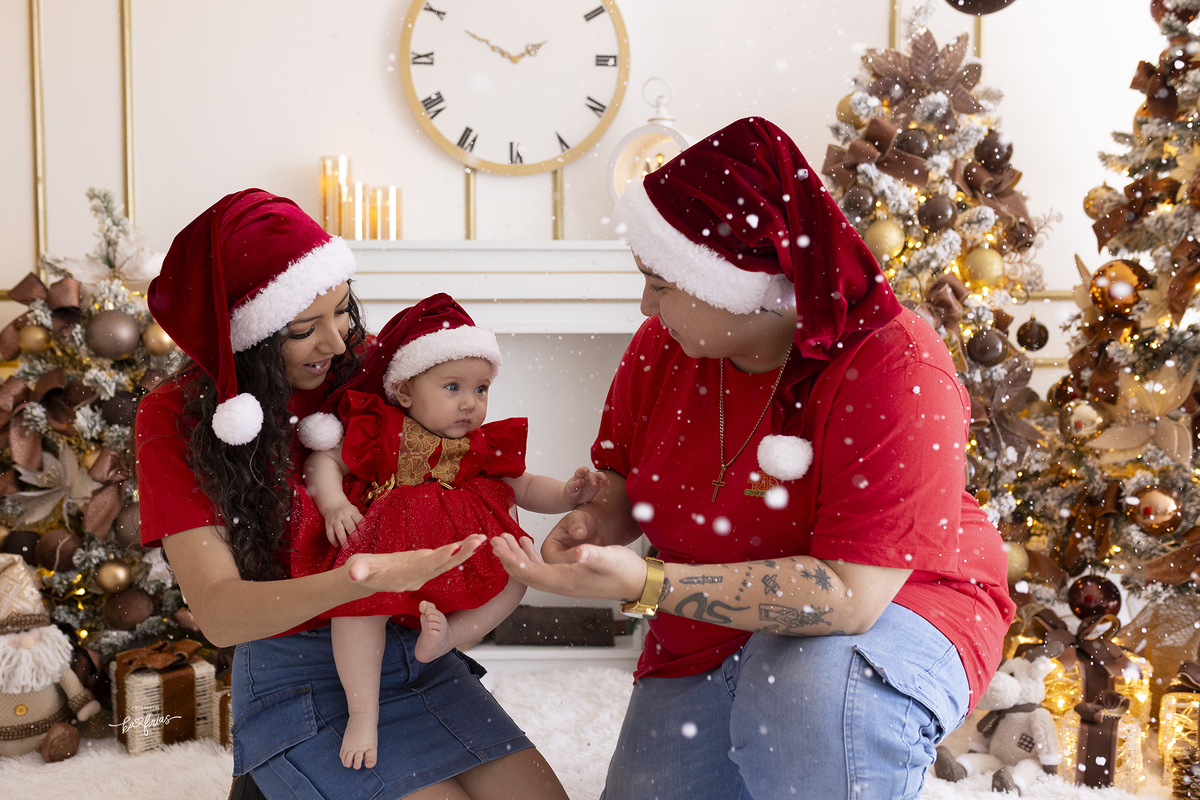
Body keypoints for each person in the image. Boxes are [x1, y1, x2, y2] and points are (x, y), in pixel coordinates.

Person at [490, 117, 1016, 800]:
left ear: (745, 281)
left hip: (898, 599)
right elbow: (621, 480)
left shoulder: (898, 365)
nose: (645, 302)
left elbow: (850, 598)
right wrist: (596, 525)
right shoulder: (662, 347)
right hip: (714, 620)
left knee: (804, 707)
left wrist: (644, 583)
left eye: (662, 281)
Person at [135, 190, 570, 800]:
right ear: (245, 338)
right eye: (302, 330)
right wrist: (361, 580)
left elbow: (459, 454)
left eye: (342, 310)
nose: (337, 344)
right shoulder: (175, 418)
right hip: (298, 670)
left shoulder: (368, 371)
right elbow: (219, 614)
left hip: (412, 654)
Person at [291, 293, 608, 770]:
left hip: (462, 553)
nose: (469, 403)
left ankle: (449, 639)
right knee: (355, 607)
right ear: (404, 391)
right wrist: (334, 502)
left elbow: (523, 485)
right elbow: (322, 459)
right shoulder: (382, 429)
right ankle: (363, 711)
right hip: (387, 551)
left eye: (481, 390)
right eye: (453, 387)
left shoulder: (480, 445)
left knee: (519, 574)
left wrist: (567, 493)